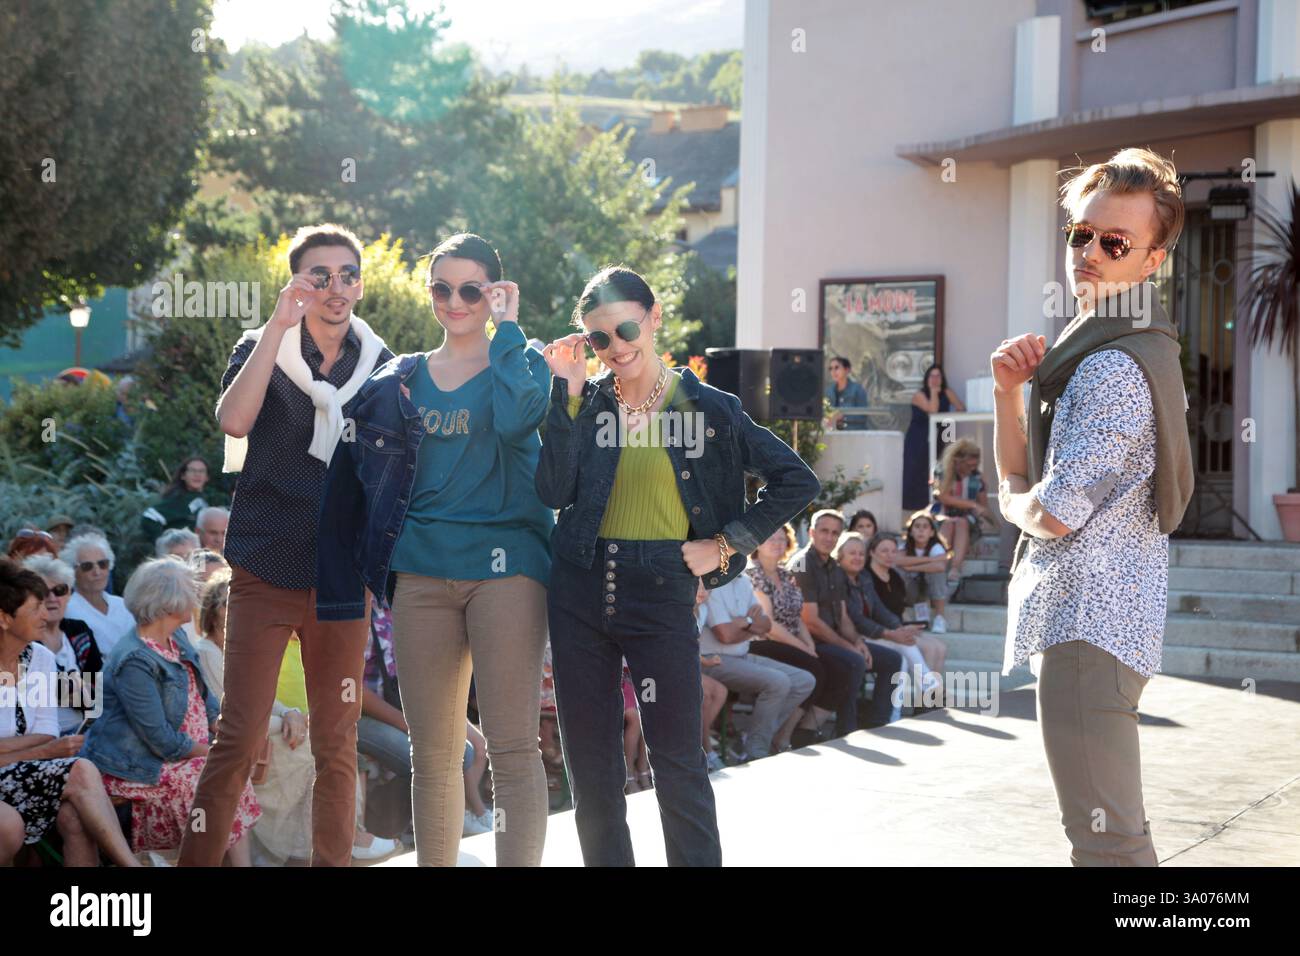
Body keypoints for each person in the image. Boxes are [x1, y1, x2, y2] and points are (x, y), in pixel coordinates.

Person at [537, 265, 820, 866]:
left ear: (654, 315)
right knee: (591, 768)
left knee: (677, 762)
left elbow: (796, 479)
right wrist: (562, 396)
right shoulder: (584, 405)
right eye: (598, 340)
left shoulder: (708, 408)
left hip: (662, 588)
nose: (615, 348)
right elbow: (553, 491)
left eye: (625, 329)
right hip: (579, 586)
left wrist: (724, 545)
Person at [316, 233, 550, 867]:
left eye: (471, 289)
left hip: (508, 569)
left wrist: (508, 329)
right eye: (442, 288)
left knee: (511, 748)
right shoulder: (403, 377)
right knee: (435, 753)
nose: (454, 301)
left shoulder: (524, 361)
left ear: (496, 293)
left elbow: (517, 420)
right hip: (421, 573)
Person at [994, 147, 1192, 867]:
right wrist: (1004, 395)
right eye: (1082, 234)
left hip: (1089, 629)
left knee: (1109, 847)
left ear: (1152, 260)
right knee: (1108, 841)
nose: (1090, 252)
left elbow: (1051, 511)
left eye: (1116, 243)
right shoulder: (1102, 351)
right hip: (1101, 626)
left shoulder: (1111, 365)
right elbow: (1020, 478)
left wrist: (1016, 505)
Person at [179, 223, 394, 868]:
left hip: (339, 574)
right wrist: (276, 326)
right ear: (297, 281)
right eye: (319, 275)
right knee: (239, 736)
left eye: (347, 274)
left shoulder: (380, 364)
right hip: (265, 566)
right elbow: (234, 421)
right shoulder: (259, 345)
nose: (335, 287)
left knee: (337, 739)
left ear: (360, 283)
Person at [81, 559, 259, 862]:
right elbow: (160, 740)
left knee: (228, 770)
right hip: (140, 765)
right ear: (170, 602)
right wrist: (214, 753)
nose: (196, 597)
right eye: (190, 591)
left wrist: (219, 724)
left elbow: (203, 694)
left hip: (182, 755)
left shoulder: (175, 636)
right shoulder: (135, 659)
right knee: (211, 776)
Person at [0, 559, 139, 867]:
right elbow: (48, 741)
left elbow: (48, 730)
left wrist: (19, 749)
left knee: (74, 816)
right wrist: (43, 750)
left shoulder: (39, 657)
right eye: (34, 607)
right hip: (28, 769)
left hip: (26, 771)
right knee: (80, 769)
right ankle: (131, 865)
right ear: (4, 618)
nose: (45, 612)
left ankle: (85, 909)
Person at [789, 510, 904, 731]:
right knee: (855, 662)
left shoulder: (834, 567)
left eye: (835, 533)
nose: (829, 538)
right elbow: (810, 621)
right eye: (824, 531)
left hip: (833, 639)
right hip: (809, 642)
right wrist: (849, 647)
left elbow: (842, 617)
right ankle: (846, 730)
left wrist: (858, 642)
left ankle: (879, 724)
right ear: (812, 532)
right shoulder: (802, 564)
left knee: (892, 659)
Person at [696, 571, 816, 758]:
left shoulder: (743, 580)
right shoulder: (712, 582)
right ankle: (756, 751)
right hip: (713, 659)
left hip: (742, 653)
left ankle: (755, 737)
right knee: (778, 682)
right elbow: (725, 635)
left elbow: (766, 624)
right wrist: (752, 625)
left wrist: (746, 623)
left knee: (804, 680)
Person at [743, 525, 832, 744]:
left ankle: (791, 731)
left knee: (835, 666)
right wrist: (804, 650)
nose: (776, 543)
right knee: (814, 668)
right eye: (770, 538)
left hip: (790, 641)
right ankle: (777, 735)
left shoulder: (786, 574)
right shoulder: (753, 574)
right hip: (763, 641)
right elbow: (769, 625)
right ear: (758, 543)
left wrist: (809, 645)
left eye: (781, 539)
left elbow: (797, 617)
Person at [848, 533, 944, 704]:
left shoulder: (895, 576)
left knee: (939, 647)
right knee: (914, 648)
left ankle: (926, 700)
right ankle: (929, 694)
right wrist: (895, 630)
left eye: (893, 551)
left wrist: (902, 627)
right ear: (872, 553)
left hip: (893, 627)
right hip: (873, 632)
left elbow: (892, 610)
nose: (890, 555)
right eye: (884, 551)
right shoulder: (866, 576)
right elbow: (867, 614)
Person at [21, 555, 102, 736]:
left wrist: (79, 691)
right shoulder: (25, 640)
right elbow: (35, 691)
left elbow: (100, 685)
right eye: (42, 592)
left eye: (60, 590)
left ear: (69, 594)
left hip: (85, 731)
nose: (52, 598)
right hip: (39, 737)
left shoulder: (79, 630)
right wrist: (78, 690)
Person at [932, 438, 995, 583]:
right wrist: (972, 505)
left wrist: (994, 523)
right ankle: (939, 566)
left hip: (967, 521)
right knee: (949, 523)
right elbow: (943, 496)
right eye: (968, 465)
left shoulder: (976, 477)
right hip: (941, 516)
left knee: (960, 522)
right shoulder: (942, 471)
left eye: (975, 465)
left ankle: (954, 568)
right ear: (957, 460)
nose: (972, 468)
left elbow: (983, 506)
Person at [902, 364, 965, 509]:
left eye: (938, 376)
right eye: (932, 376)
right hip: (918, 439)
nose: (935, 379)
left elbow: (961, 408)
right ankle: (913, 509)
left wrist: (949, 424)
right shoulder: (920, 395)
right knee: (915, 471)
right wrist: (933, 392)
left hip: (938, 437)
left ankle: (932, 506)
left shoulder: (946, 392)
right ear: (927, 378)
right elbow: (933, 410)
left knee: (935, 471)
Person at [61, 532, 134, 656]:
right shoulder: (68, 611)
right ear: (72, 571)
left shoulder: (123, 604)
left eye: (102, 564)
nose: (97, 572)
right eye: (87, 566)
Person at [141, 456, 224, 542]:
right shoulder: (179, 499)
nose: (197, 474)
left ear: (207, 477)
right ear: (183, 475)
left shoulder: (203, 499)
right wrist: (163, 544)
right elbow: (149, 517)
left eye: (201, 471)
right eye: (192, 470)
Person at [895, 510, 952, 634]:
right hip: (910, 591)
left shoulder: (936, 547)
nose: (921, 530)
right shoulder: (904, 545)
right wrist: (930, 559)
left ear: (931, 532)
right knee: (897, 570)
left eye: (925, 527)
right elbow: (897, 560)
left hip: (931, 591)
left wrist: (912, 567)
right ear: (910, 531)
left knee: (937, 574)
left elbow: (940, 567)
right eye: (917, 526)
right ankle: (904, 613)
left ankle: (939, 617)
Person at [825, 356, 869, 430]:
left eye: (837, 367)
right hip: (833, 435)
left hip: (855, 435)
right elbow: (825, 414)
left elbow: (863, 416)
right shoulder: (829, 391)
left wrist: (843, 416)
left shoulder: (857, 389)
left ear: (847, 370)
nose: (833, 371)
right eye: (831, 368)